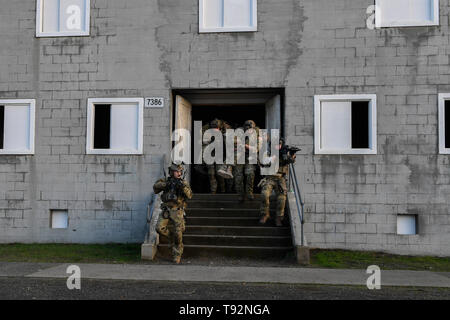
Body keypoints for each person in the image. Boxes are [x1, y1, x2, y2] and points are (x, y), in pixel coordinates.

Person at [154, 163, 193, 264]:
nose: (179, 173)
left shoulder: (183, 182)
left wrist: (182, 187)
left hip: (177, 210)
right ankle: (172, 238)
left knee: (178, 233)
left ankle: (177, 254)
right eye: (177, 171)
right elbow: (155, 188)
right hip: (166, 209)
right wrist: (166, 185)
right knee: (159, 228)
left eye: (180, 171)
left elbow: (190, 196)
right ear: (171, 172)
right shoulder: (166, 181)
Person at [259, 138, 296, 227]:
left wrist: (291, 156)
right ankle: (265, 214)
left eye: (279, 144)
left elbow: (289, 161)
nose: (277, 146)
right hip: (269, 178)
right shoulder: (267, 153)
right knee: (264, 194)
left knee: (282, 198)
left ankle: (279, 218)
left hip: (280, 178)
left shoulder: (284, 152)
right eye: (275, 145)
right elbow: (263, 162)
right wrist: (272, 158)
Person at [202, 119, 234, 194]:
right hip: (210, 156)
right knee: (211, 174)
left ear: (219, 128)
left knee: (220, 174)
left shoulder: (225, 134)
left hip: (220, 156)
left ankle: (223, 190)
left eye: (216, 129)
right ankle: (213, 191)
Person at [233, 120, 261, 201]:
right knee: (238, 177)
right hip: (239, 157)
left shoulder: (257, 134)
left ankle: (249, 192)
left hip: (250, 157)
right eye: (247, 129)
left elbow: (256, 148)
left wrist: (245, 146)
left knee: (250, 175)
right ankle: (240, 194)